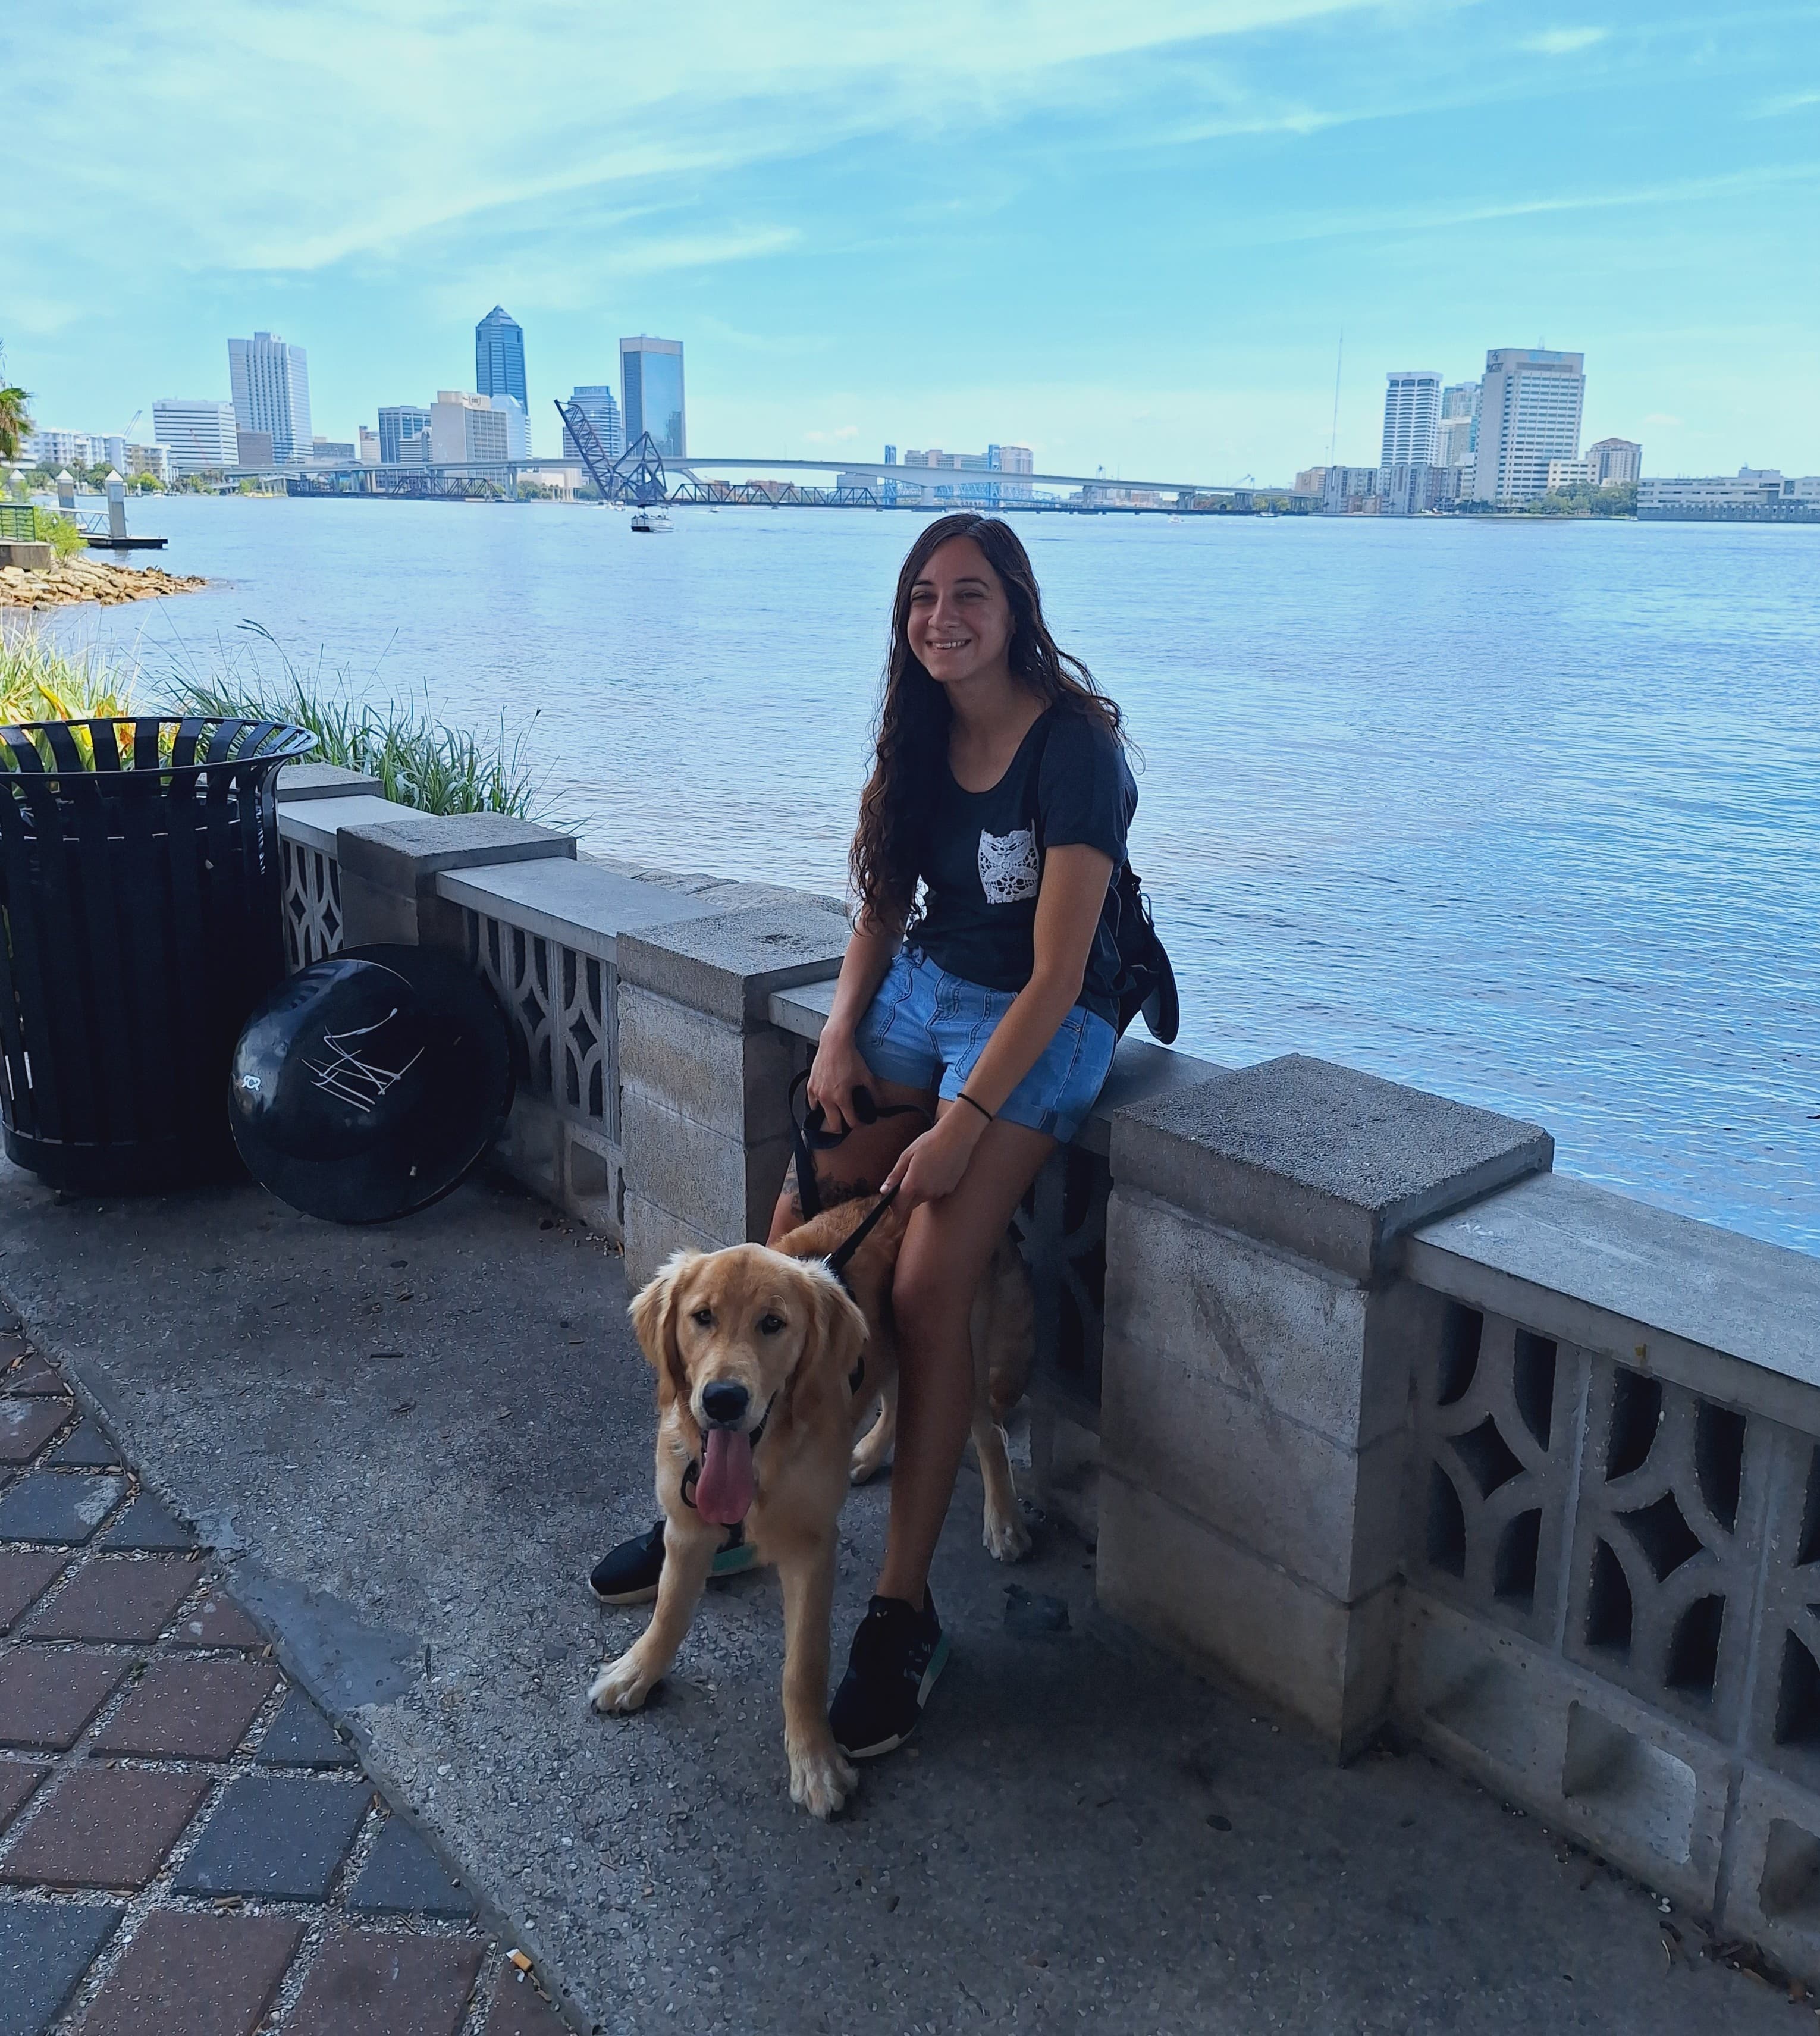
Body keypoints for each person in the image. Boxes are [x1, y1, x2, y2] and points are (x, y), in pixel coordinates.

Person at [591, 511, 1136, 1761]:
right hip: (925, 990)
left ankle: (903, 1611)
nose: (943, 617)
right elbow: (885, 905)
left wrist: (965, 1123)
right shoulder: (918, 732)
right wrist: (841, 1036)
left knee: (936, 1277)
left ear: (1017, 608)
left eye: (971, 595)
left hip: (1045, 1017)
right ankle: (733, 1503)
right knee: (785, 1251)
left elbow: (1057, 972)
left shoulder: (1076, 749)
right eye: (922, 597)